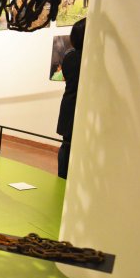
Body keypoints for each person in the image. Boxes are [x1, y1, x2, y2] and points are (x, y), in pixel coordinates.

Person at [56, 18, 86, 179]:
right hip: (78, 108)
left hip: (69, 107)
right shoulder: (85, 59)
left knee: (66, 146)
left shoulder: (69, 57)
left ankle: (62, 179)